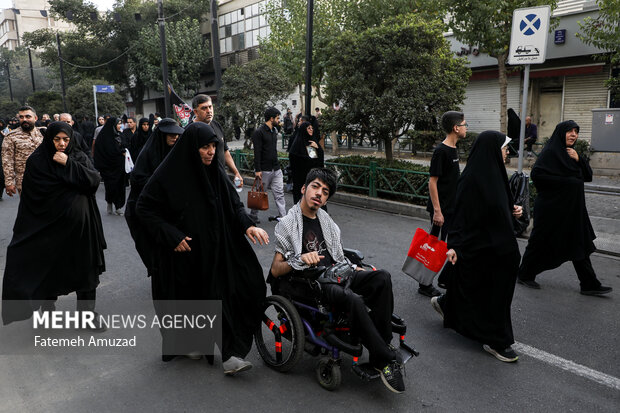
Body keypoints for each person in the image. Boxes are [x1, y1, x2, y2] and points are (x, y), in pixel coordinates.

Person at [136, 122, 269, 373]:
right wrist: (171, 236)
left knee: (226, 294)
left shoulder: (215, 172)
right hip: (186, 253)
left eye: (213, 146)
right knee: (194, 299)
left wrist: (247, 226)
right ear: (191, 148)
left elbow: (234, 205)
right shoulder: (168, 174)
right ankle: (192, 343)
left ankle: (230, 355)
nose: (210, 152)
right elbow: (144, 208)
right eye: (204, 147)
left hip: (217, 249)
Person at [270, 168, 405, 393]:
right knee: (352, 299)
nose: (319, 194)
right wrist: (300, 259)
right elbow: (275, 270)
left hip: (338, 271)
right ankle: (384, 360)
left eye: (325, 191)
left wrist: (355, 268)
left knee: (382, 278)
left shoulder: (327, 222)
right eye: (315, 187)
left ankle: (382, 343)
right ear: (303, 189)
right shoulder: (287, 224)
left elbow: (339, 255)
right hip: (311, 283)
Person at [1, 122, 106, 327]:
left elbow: (93, 182)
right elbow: (33, 198)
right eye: (56, 139)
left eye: (65, 139)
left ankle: (86, 316)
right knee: (49, 270)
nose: (61, 144)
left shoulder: (78, 157)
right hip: (49, 230)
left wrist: (68, 164)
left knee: (85, 270)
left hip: (81, 230)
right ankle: (47, 313)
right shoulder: (38, 162)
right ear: (49, 139)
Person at [430, 131, 522, 363]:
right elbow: (460, 216)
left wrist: (513, 209)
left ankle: (446, 303)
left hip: (498, 247)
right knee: (493, 294)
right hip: (482, 248)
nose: (507, 152)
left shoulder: (497, 174)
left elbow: (497, 205)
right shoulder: (471, 179)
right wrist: (454, 247)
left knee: (481, 290)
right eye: (504, 147)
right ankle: (496, 340)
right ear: (491, 149)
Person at [517, 120, 612, 296]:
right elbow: (538, 175)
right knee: (539, 242)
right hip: (551, 210)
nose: (574, 135)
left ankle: (589, 283)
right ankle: (524, 274)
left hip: (572, 210)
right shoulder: (551, 152)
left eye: (576, 131)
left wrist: (579, 159)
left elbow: (588, 176)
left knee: (580, 244)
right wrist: (568, 182)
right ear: (562, 133)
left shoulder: (572, 154)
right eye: (570, 131)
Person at [125, 118, 184, 277]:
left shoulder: (174, 152)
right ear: (161, 135)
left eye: (176, 135)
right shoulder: (148, 153)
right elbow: (138, 179)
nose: (174, 138)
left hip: (166, 210)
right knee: (155, 254)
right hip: (144, 211)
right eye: (170, 135)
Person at [421, 111, 466, 297]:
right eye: (464, 124)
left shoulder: (453, 149)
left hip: (451, 209)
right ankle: (424, 284)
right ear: (456, 128)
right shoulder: (441, 151)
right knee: (434, 247)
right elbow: (433, 182)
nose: (466, 127)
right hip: (441, 211)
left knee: (449, 245)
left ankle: (444, 278)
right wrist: (437, 212)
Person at [190, 95, 243, 189]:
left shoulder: (216, 125)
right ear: (196, 112)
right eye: (204, 108)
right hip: (201, 182)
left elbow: (225, 151)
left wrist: (236, 172)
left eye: (210, 107)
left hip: (221, 178)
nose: (208, 111)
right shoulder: (190, 131)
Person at [250, 107, 287, 224]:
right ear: (271, 118)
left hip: (276, 168)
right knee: (260, 193)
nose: (279, 120)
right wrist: (258, 169)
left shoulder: (274, 131)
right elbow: (257, 152)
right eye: (277, 118)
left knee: (279, 193)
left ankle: (284, 217)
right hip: (264, 169)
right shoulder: (259, 132)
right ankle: (253, 215)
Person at [2, 106, 44, 196]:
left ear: (35, 118)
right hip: (25, 181)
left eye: (28, 116)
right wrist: (9, 182)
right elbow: (7, 160)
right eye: (21, 117)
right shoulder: (11, 136)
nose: (24, 119)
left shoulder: (44, 133)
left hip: (47, 179)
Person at [93, 117, 126, 215]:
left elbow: (126, 145)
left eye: (120, 123)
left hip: (119, 167)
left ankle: (118, 206)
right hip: (108, 168)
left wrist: (124, 151)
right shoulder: (103, 137)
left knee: (120, 187)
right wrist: (120, 152)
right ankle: (109, 203)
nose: (119, 126)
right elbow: (103, 151)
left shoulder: (120, 135)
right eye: (118, 123)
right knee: (110, 187)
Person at [288, 121, 323, 204]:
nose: (311, 130)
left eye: (312, 128)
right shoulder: (298, 144)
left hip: (311, 178)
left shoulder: (311, 143)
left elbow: (315, 161)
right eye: (308, 128)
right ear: (304, 130)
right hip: (300, 178)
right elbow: (296, 159)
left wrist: (318, 148)